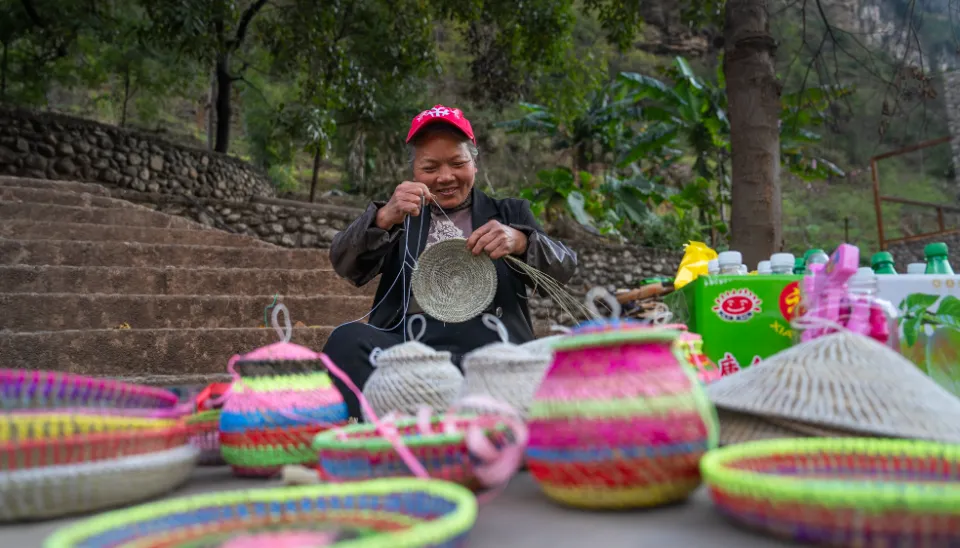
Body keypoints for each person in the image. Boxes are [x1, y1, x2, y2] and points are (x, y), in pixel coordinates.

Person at [323, 104, 578, 419]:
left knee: (558, 353)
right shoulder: (401, 216)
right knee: (347, 341)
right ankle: (390, 431)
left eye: (458, 163)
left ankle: (442, 418)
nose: (445, 177)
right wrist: (383, 217)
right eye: (430, 167)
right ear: (414, 172)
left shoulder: (510, 213)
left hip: (492, 351)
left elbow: (564, 268)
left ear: (475, 163)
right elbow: (345, 264)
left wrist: (521, 241)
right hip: (411, 351)